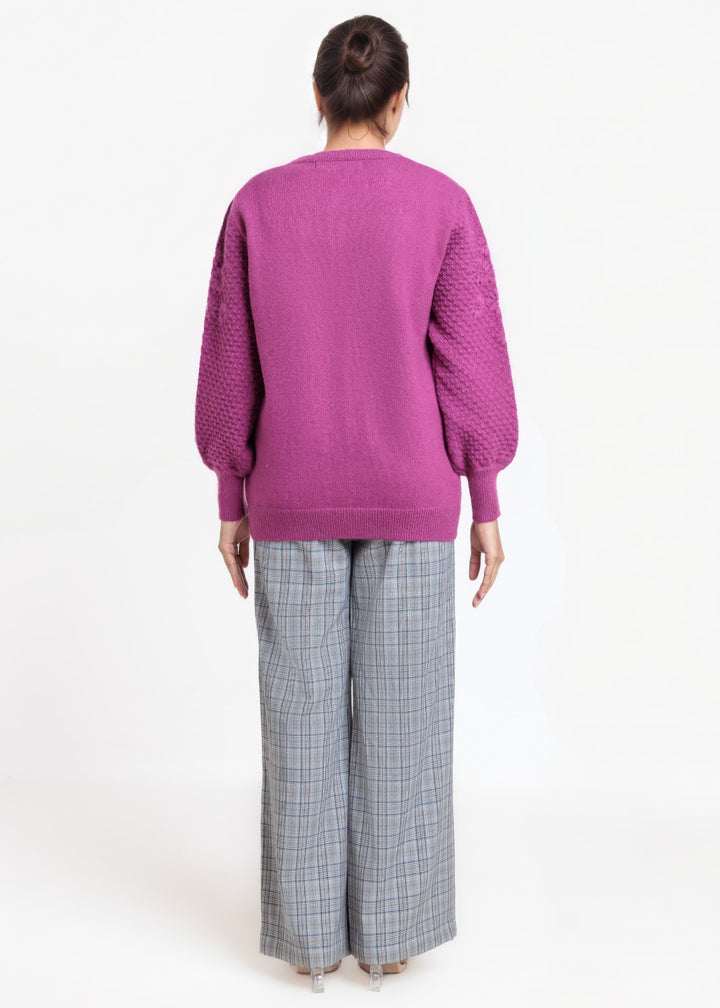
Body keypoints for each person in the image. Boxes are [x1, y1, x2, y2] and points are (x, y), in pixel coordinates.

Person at [194, 14, 519, 992]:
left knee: (298, 722)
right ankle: (389, 935)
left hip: (290, 493)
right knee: (405, 724)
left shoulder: (257, 205)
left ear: (318, 95)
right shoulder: (442, 205)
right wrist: (486, 494)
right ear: (400, 100)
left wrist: (230, 492)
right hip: (410, 495)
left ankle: (307, 940)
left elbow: (229, 364)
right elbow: (471, 365)